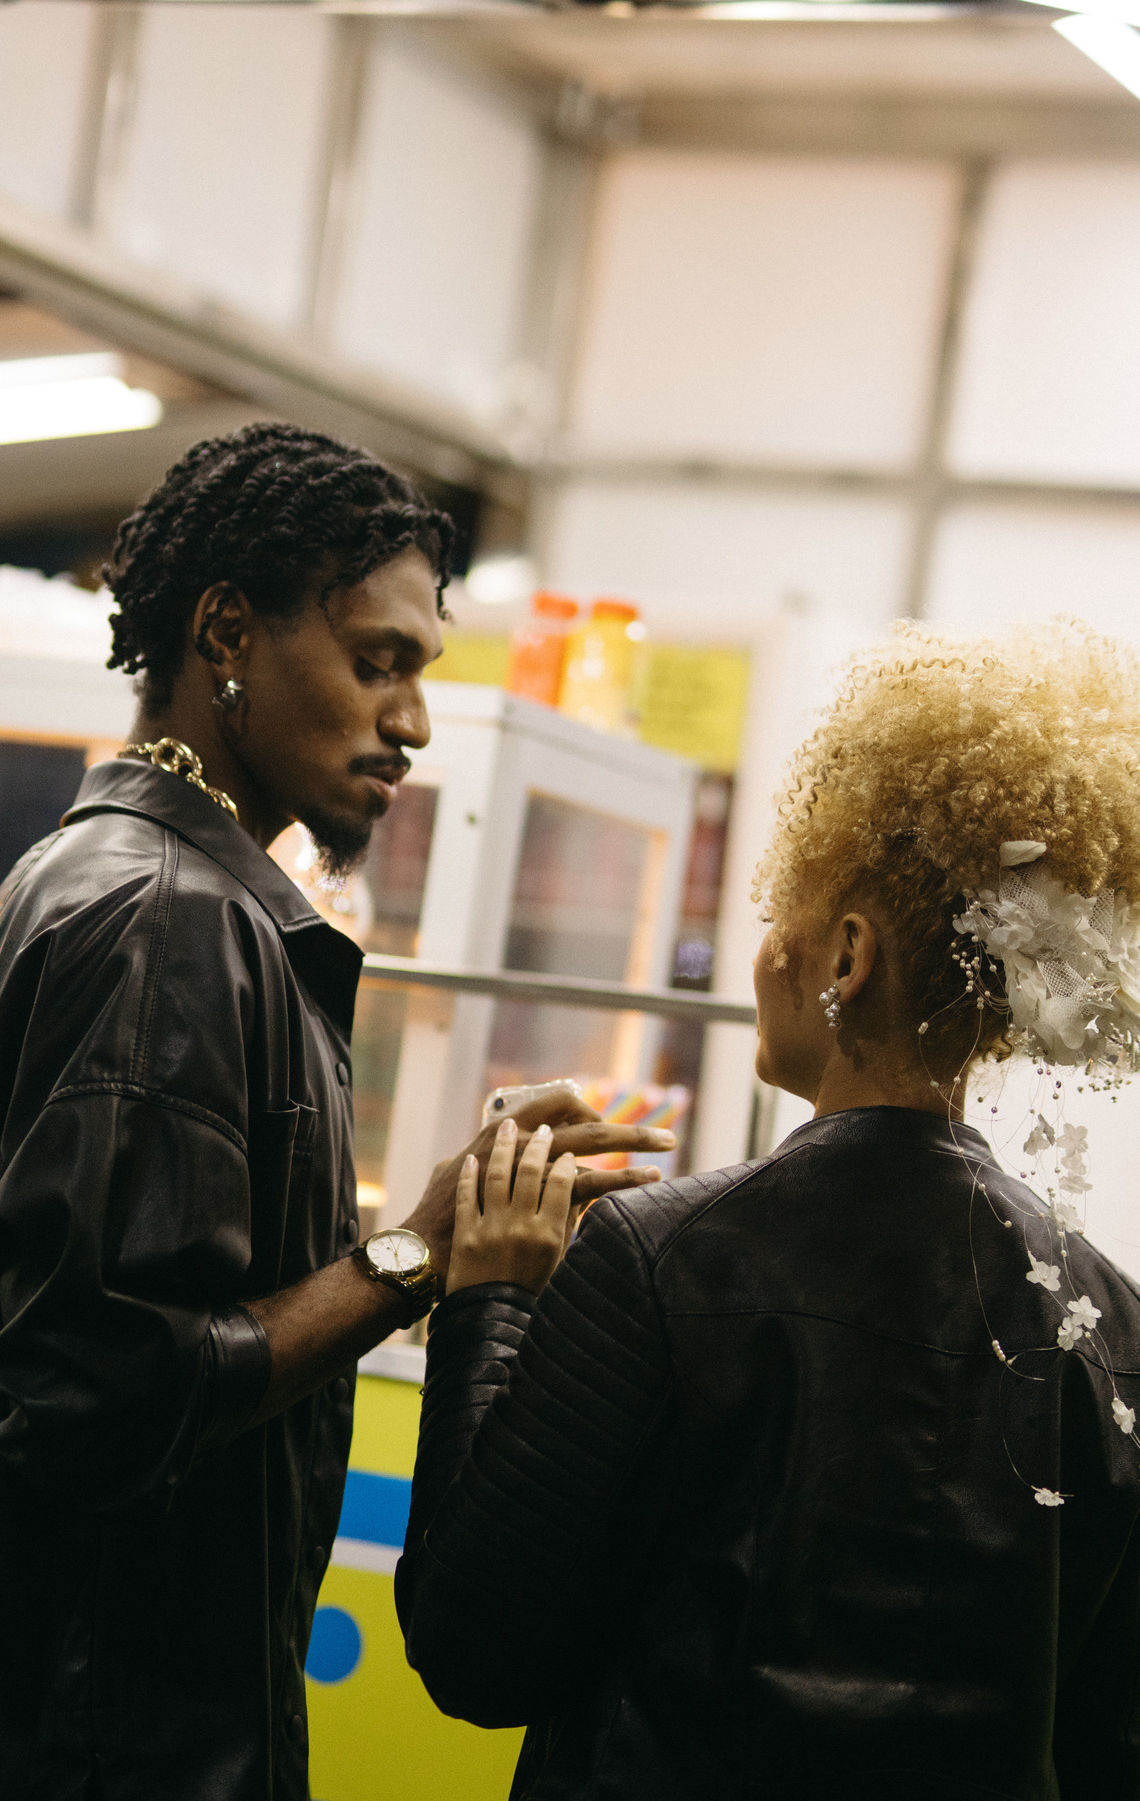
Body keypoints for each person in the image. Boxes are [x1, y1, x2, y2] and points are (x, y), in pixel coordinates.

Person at [0, 423, 675, 1801]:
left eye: (421, 671)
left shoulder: (97, 875)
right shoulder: (165, 916)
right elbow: (97, 1394)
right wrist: (416, 1256)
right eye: (376, 662)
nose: (413, 721)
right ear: (227, 631)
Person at [398, 619, 1140, 1798]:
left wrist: (489, 1299)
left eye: (778, 912)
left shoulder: (659, 1259)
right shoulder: (1110, 1325)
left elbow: (473, 1647)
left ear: (847, 956)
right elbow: (1106, 1737)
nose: (762, 954)